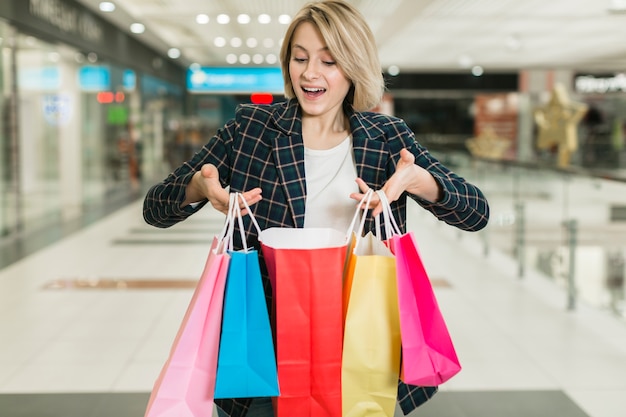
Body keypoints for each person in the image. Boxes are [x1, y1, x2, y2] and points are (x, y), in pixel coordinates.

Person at [143, 1, 489, 416]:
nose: (310, 73)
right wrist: (199, 186)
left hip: (362, 347)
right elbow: (155, 208)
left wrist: (417, 181)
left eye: (329, 61)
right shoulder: (251, 129)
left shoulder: (385, 137)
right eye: (300, 58)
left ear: (354, 68)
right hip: (266, 352)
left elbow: (475, 212)